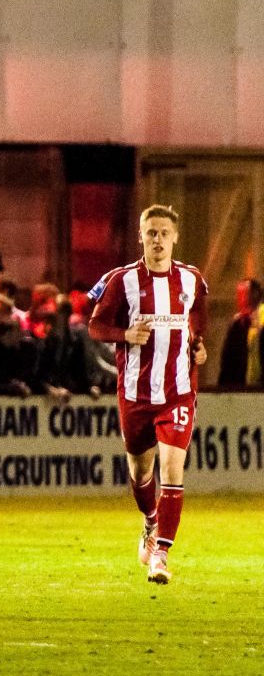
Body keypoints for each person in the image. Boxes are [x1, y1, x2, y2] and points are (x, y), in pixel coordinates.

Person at [87, 205, 209, 585]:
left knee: (172, 471)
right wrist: (124, 335)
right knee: (141, 474)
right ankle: (150, 521)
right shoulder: (121, 281)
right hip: (136, 395)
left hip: (179, 392)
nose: (157, 239)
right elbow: (95, 326)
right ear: (140, 236)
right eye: (150, 233)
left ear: (175, 238)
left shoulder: (192, 279)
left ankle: (161, 554)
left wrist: (200, 347)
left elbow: (198, 320)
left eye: (164, 233)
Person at [217, 278, 262, 388]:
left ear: (254, 296)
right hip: (238, 385)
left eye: (243, 294)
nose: (239, 298)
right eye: (239, 294)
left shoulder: (260, 319)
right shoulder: (237, 323)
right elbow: (227, 359)